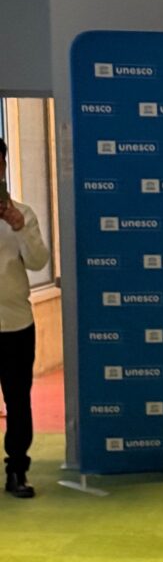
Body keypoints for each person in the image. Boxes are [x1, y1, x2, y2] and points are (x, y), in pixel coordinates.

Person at [0, 137, 49, 498]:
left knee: (18, 401)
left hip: (15, 324)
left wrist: (19, 227)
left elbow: (38, 261)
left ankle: (17, 469)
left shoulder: (22, 214)